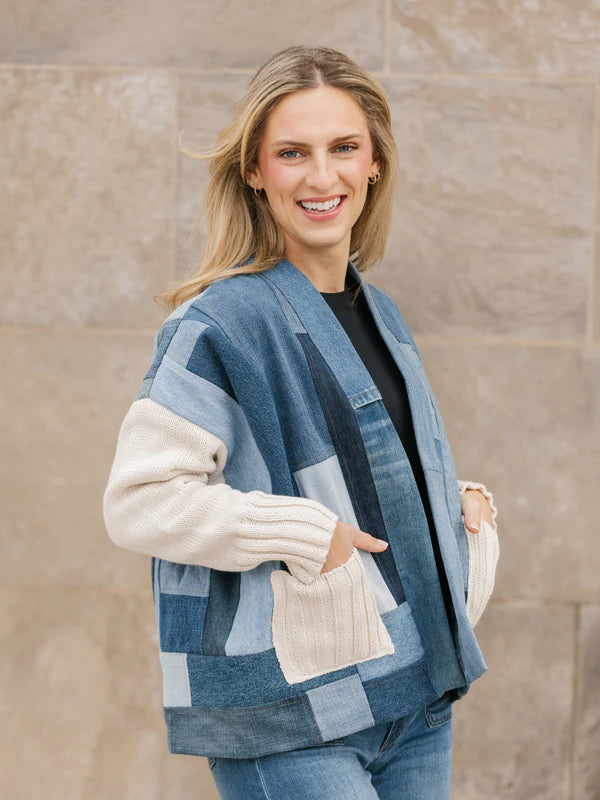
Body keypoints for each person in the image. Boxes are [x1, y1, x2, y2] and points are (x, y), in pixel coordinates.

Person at [102, 44, 500, 799]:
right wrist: (307, 536)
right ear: (255, 170)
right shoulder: (221, 324)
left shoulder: (379, 313)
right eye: (293, 153)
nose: (323, 177)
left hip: (412, 696)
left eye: (344, 148)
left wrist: (458, 513)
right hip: (292, 718)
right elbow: (139, 501)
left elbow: (362, 480)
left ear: (374, 163)